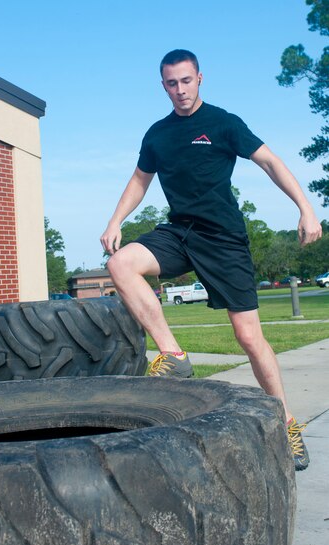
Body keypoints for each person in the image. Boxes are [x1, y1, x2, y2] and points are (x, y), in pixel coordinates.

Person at [100, 49, 322, 470]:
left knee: (249, 337)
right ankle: (174, 356)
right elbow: (139, 180)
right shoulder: (158, 134)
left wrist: (305, 207)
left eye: (186, 81)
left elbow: (270, 162)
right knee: (121, 263)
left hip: (223, 238)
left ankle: (285, 421)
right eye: (171, 83)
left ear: (200, 79)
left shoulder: (223, 123)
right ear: (162, 85)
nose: (180, 90)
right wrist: (116, 220)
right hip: (180, 232)